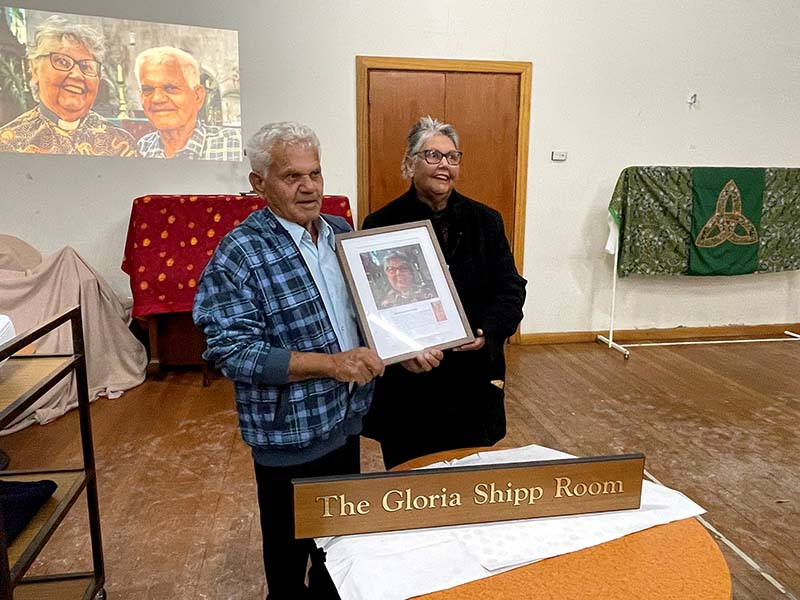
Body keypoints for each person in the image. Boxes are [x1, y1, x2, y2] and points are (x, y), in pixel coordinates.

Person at [193, 121, 439, 599]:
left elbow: (365, 314)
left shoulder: (340, 234)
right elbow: (230, 351)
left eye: (316, 173)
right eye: (292, 176)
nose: (308, 187)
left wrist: (401, 350)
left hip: (345, 418)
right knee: (288, 558)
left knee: (338, 547)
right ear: (259, 183)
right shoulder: (239, 253)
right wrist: (332, 365)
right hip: (289, 431)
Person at [362, 116, 527, 470]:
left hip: (471, 381)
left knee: (471, 488)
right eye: (432, 155)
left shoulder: (487, 221)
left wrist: (485, 331)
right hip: (411, 386)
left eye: (452, 158)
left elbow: (510, 288)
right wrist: (401, 350)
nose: (444, 166)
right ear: (409, 164)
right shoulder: (380, 225)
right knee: (412, 488)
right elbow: (372, 308)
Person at [0, 15, 136, 156]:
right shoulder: (8, 144)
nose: (77, 75)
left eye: (86, 66)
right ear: (35, 70)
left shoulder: (121, 144)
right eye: (62, 62)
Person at [134, 46, 241, 160]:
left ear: (197, 96)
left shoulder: (235, 144)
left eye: (170, 88)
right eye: (147, 89)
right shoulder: (140, 149)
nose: (157, 98)